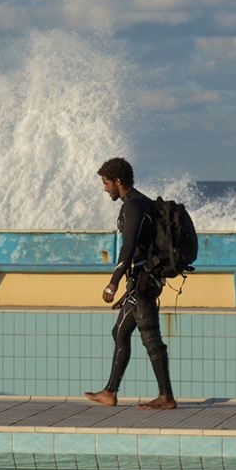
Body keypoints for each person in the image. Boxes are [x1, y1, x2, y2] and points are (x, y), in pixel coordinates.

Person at [84, 157, 177, 410]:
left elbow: (129, 247)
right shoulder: (141, 202)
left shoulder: (134, 206)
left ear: (118, 181)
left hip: (144, 282)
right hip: (142, 281)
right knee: (121, 332)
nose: (104, 188)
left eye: (106, 183)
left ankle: (166, 397)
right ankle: (110, 392)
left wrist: (113, 283)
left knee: (151, 338)